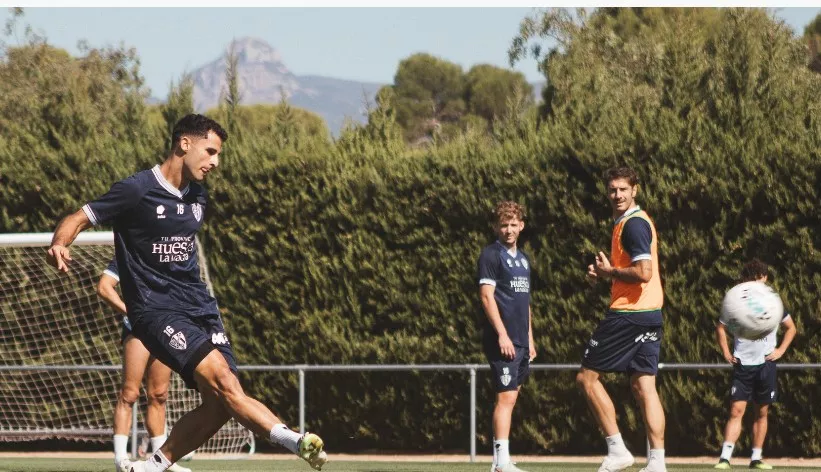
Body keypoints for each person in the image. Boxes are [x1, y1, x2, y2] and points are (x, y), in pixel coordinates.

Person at [46, 114, 327, 472]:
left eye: (218, 154)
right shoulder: (137, 189)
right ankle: (296, 441)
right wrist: (60, 242)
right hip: (155, 310)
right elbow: (79, 217)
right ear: (185, 144)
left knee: (222, 402)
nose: (215, 162)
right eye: (210, 151)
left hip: (200, 306)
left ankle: (152, 467)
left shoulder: (198, 196)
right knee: (222, 382)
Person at [578, 166, 666, 472]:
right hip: (651, 314)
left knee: (586, 378)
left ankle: (617, 450)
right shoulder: (629, 223)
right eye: (612, 190)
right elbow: (634, 269)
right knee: (644, 387)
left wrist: (610, 273)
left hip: (630, 314)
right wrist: (605, 273)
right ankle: (657, 463)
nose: (617, 195)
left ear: (635, 190)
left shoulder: (633, 225)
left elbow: (644, 273)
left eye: (623, 189)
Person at [98, 259, 191, 472]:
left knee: (159, 395)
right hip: (137, 330)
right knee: (129, 394)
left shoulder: (172, 255)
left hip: (165, 329)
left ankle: (163, 462)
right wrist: (132, 314)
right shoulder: (129, 253)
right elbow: (104, 287)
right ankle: (121, 459)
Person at [714, 259, 797, 470]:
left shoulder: (773, 303)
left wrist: (780, 351)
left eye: (760, 280)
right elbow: (720, 328)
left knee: (762, 413)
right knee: (736, 411)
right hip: (743, 364)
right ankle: (725, 458)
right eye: (752, 280)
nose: (757, 284)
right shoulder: (737, 302)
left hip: (766, 365)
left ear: (765, 279)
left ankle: (756, 458)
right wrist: (726, 352)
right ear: (746, 280)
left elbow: (791, 328)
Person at [478, 201, 536, 472]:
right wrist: (502, 335)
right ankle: (501, 463)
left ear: (522, 225)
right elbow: (486, 297)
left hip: (522, 342)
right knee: (506, 397)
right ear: (495, 227)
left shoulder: (523, 259)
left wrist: (530, 338)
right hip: (503, 341)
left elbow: (525, 303)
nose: (509, 229)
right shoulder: (491, 255)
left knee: (513, 396)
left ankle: (500, 461)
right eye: (503, 225)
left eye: (514, 224)